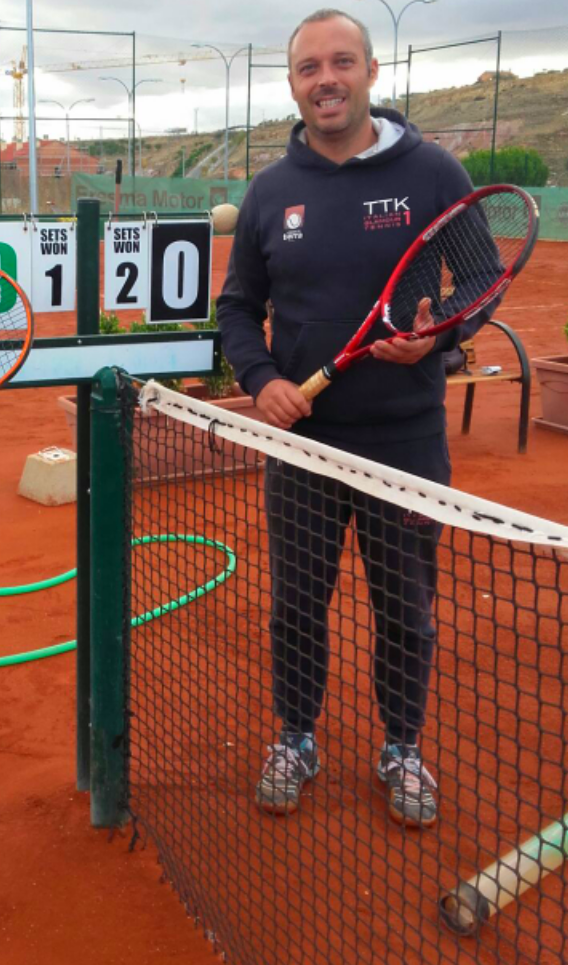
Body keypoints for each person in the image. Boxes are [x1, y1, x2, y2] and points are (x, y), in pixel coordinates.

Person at [217, 9, 486, 830]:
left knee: (405, 606)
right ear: (293, 84)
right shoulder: (270, 191)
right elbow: (237, 308)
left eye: (342, 62)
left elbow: (480, 282)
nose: (326, 79)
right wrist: (261, 378)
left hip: (406, 440)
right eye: (309, 68)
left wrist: (442, 335)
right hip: (302, 445)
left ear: (371, 72)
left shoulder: (433, 171)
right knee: (297, 603)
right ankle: (295, 737)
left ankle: (401, 746)